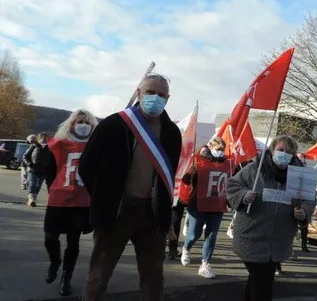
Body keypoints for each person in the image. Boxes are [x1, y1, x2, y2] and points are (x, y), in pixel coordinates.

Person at [78, 74, 182, 301]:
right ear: (139, 93)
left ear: (168, 98)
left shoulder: (172, 132)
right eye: (150, 92)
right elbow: (86, 167)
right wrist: (104, 198)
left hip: (152, 215)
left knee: (153, 276)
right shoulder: (114, 124)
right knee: (98, 276)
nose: (156, 98)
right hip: (116, 212)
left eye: (161, 95)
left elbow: (169, 174)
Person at [226, 135, 315, 301]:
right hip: (252, 237)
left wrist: (304, 212)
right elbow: (232, 185)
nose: (284, 154)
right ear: (272, 150)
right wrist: (244, 195)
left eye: (289, 152)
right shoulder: (255, 169)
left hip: (279, 241)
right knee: (262, 281)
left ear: (294, 154)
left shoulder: (300, 176)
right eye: (280, 150)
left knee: (258, 280)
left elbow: (309, 199)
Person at [42, 109, 98, 296]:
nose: (83, 125)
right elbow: (49, 170)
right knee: (50, 236)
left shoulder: (95, 147)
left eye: (87, 122)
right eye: (79, 121)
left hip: (81, 202)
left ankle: (66, 277)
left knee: (73, 241)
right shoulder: (59, 145)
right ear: (71, 124)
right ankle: (55, 261)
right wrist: (55, 188)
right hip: (59, 199)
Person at [178, 137, 233, 278]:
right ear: (210, 147)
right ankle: (186, 248)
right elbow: (186, 179)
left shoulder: (228, 164)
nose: (220, 152)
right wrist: (190, 171)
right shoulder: (199, 161)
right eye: (217, 149)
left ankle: (205, 263)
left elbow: (232, 182)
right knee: (194, 234)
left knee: (211, 235)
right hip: (198, 204)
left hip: (217, 204)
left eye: (222, 150)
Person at [23, 132, 50, 207]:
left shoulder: (50, 148)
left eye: (45, 138)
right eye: (42, 137)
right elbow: (25, 156)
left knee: (38, 186)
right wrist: (30, 164)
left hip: (43, 170)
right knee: (32, 184)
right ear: (39, 138)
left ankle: (33, 199)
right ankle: (31, 200)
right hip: (33, 169)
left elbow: (52, 159)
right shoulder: (34, 146)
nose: (44, 139)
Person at [295, 152, 311, 253]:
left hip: (303, 200)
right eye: (299, 157)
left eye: (302, 158)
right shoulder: (290, 169)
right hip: (292, 200)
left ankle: (304, 245)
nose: (301, 159)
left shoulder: (307, 172)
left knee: (304, 225)